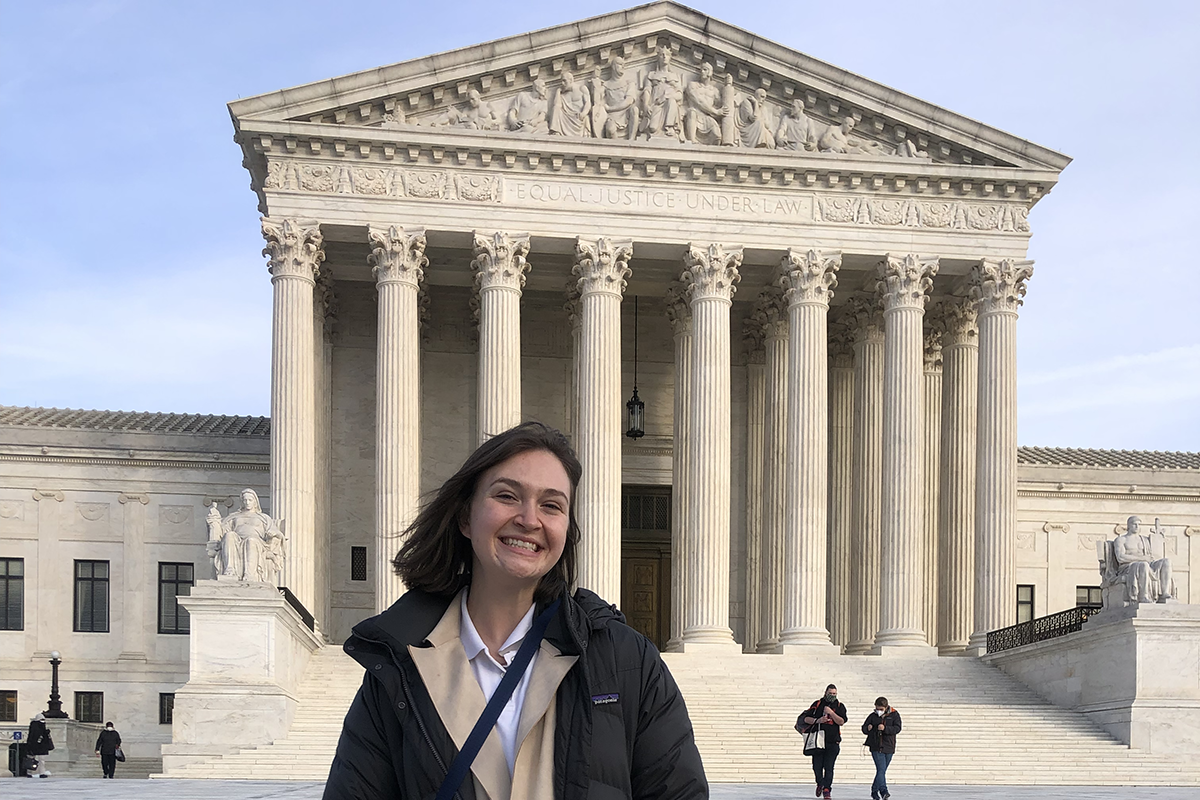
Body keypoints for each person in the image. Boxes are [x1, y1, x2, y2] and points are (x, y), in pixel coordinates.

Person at [323, 422, 706, 800]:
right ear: (464, 518)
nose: (529, 519)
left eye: (552, 505)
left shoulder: (626, 661)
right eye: (507, 496)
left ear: (566, 531)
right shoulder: (397, 669)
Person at [1112, 515, 1175, 602]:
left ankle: (1164, 593)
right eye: (1134, 524)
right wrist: (1142, 558)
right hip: (1128, 566)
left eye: (1139, 524)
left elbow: (1152, 555)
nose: (1137, 527)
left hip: (1147, 563)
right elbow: (1120, 557)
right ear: (1129, 525)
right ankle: (1143, 596)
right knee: (1143, 565)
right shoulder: (1122, 540)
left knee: (1166, 562)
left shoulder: (1144, 539)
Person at [800, 683, 846, 800]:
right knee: (817, 766)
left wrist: (831, 712)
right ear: (825, 693)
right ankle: (820, 783)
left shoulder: (840, 706)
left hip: (832, 742)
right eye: (830, 693)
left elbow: (841, 721)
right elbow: (806, 718)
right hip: (818, 742)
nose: (832, 695)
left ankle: (827, 789)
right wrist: (818, 720)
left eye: (834, 694)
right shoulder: (817, 704)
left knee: (829, 767)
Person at [862, 697, 902, 800]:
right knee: (881, 769)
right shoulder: (872, 716)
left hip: (889, 746)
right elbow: (864, 728)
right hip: (876, 746)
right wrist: (868, 728)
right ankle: (884, 790)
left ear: (886, 707)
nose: (878, 711)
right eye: (877, 708)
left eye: (880, 709)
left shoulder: (894, 715)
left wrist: (885, 729)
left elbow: (897, 728)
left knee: (882, 770)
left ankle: (874, 790)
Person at [26, 712, 52, 778]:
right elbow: (32, 736)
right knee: (32, 760)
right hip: (36, 746)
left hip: (40, 746)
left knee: (41, 760)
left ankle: (41, 773)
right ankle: (30, 772)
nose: (42, 721)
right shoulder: (35, 727)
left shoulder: (40, 727)